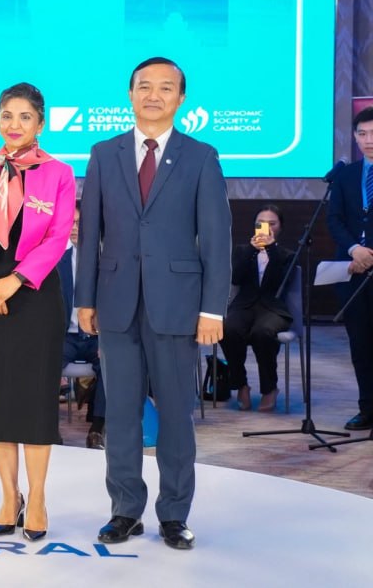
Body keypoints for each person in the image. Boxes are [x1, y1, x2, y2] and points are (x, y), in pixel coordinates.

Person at [77, 56, 231, 551]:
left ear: (180, 99)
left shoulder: (201, 156)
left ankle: (174, 515)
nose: (153, 95)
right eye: (144, 86)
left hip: (179, 306)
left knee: (176, 416)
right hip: (116, 303)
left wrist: (212, 309)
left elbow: (217, 238)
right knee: (121, 414)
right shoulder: (104, 153)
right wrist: (85, 299)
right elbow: (91, 233)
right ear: (130, 93)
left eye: (166, 88)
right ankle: (125, 511)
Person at [0, 82, 74, 540]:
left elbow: (58, 237)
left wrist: (16, 281)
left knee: (33, 399)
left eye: (25, 117)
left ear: (40, 123)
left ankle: (37, 497)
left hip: (34, 295)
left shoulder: (59, 173)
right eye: (7, 115)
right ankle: (10, 496)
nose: (14, 124)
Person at [327, 106, 373, 431]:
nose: (368, 140)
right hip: (353, 271)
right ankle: (367, 408)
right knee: (360, 345)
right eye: (362, 134)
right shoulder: (345, 175)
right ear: (355, 137)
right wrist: (355, 249)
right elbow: (334, 219)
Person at [223, 205, 295, 412]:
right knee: (227, 329)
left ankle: (269, 388)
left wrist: (271, 249)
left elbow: (282, 282)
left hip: (273, 308)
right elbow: (236, 278)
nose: (267, 227)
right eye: (261, 223)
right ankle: (241, 384)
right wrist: (252, 251)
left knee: (262, 333)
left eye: (272, 223)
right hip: (244, 305)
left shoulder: (287, 254)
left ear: (280, 227)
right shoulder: (242, 251)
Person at [58, 205, 105, 447]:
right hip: (65, 335)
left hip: (97, 336)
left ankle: (97, 429)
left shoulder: (105, 258)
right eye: (71, 222)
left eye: (80, 223)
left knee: (111, 365)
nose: (75, 228)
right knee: (44, 363)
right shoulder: (56, 258)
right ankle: (47, 428)